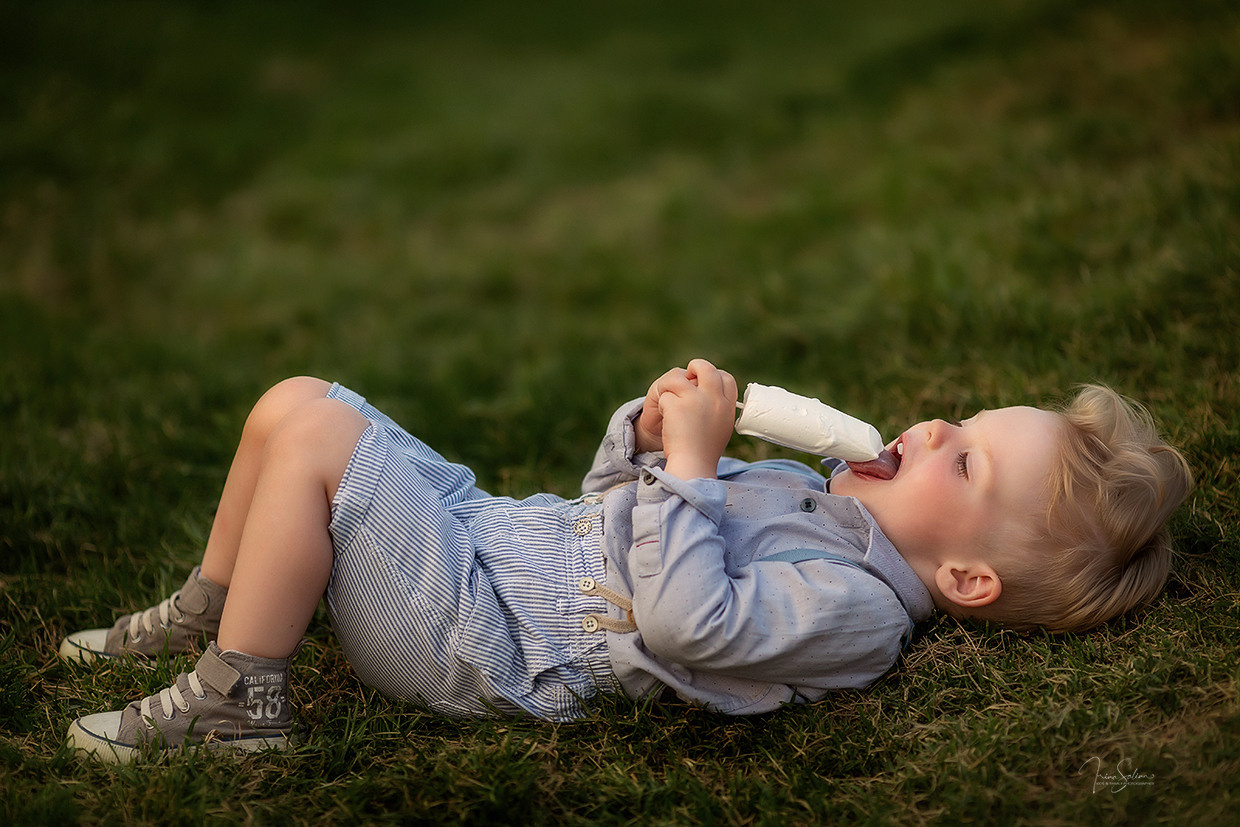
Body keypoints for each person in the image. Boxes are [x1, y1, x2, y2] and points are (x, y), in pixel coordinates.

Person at [59, 360, 1193, 763]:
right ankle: (216, 609)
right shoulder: (816, 500)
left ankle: (242, 700)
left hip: (486, 639)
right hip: (493, 538)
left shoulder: (858, 609)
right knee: (300, 400)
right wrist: (648, 443)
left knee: (316, 442)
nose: (936, 428)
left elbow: (685, 621)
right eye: (963, 420)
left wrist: (694, 471)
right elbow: (616, 513)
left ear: (966, 580)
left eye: (967, 460)